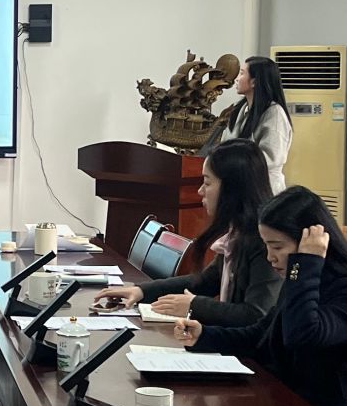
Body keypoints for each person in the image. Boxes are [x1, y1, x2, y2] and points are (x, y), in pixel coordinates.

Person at [172, 186, 347, 406]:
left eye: (277, 247)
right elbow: (263, 335)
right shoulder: (301, 282)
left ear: (311, 244)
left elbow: (302, 335)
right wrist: (205, 335)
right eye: (266, 246)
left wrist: (305, 264)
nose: (269, 257)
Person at [94, 140, 280, 327]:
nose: (200, 191)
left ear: (232, 188)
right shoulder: (238, 232)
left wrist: (194, 305)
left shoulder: (265, 241)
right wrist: (141, 291)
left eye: (207, 183)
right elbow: (206, 282)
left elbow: (257, 314)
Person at [205, 54, 291, 191]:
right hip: (241, 186)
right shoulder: (240, 109)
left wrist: (232, 161)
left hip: (263, 189)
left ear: (254, 82)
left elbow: (270, 159)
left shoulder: (274, 114)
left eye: (242, 73)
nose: (237, 79)